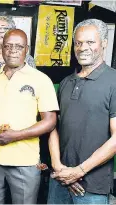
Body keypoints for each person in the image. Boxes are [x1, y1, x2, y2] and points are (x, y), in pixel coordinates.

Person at [0, 29, 59, 204]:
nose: (13, 51)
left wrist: (15, 135)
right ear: (2, 48)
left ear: (27, 50)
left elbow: (50, 121)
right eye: (8, 46)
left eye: (18, 46)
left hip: (25, 161)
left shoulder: (41, 80)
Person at [48, 19, 116, 204]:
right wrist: (58, 166)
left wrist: (79, 171)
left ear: (104, 43)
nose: (82, 47)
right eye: (78, 43)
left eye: (90, 42)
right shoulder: (65, 83)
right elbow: (54, 127)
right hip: (59, 180)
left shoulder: (113, 81)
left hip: (92, 187)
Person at [0, 16, 36, 113]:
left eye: (3, 29)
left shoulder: (26, 59)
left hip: (17, 111)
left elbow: (33, 92)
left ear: (12, 33)